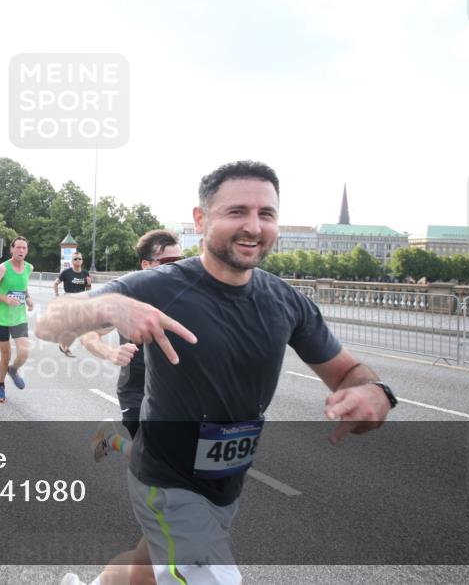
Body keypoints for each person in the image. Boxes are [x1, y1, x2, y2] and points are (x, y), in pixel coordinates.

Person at [39, 161, 396, 585]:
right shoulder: (159, 285)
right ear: (201, 219)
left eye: (266, 214)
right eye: (237, 212)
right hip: (166, 476)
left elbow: (349, 371)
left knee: (146, 568)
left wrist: (374, 391)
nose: (254, 226)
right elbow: (49, 323)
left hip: (224, 483)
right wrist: (108, 306)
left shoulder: (286, 301)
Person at [83, 230, 181, 442]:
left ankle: (109, 439)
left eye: (180, 262)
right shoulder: (128, 298)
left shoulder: (188, 296)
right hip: (137, 393)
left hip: (177, 394)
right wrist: (110, 352)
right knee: (154, 456)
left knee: (168, 461)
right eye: (168, 261)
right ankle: (112, 440)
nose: (176, 268)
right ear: (146, 265)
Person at [0, 237, 34, 403]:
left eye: (24, 248)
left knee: (24, 353)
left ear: (27, 251)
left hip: (19, 318)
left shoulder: (29, 268)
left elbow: (24, 288)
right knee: (5, 356)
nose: (21, 251)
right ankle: (0, 385)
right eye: (18, 247)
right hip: (1, 319)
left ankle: (13, 370)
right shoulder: (2, 268)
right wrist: (5, 299)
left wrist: (28, 299)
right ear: (12, 249)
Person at [53, 250, 93, 357]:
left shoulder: (85, 273)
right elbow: (55, 283)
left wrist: (89, 284)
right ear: (72, 261)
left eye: (79, 258)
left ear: (82, 261)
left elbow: (88, 290)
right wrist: (57, 296)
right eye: (75, 259)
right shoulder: (66, 273)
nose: (77, 260)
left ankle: (63, 344)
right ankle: (65, 347)